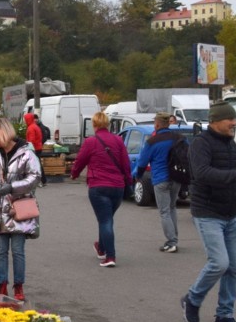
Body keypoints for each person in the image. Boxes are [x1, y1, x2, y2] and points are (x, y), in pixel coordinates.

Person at [181, 101, 236, 322]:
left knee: (233, 268)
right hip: (208, 213)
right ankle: (192, 299)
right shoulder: (200, 144)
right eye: (229, 119)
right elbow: (203, 174)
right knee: (219, 263)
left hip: (231, 214)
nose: (234, 123)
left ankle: (224, 316)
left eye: (234, 119)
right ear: (214, 122)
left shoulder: (231, 147)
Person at [0, 117, 40, 301]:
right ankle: (2, 284)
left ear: (2, 134)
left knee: (17, 250)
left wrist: (13, 187)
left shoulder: (26, 154)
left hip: (18, 210)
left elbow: (35, 177)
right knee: (0, 251)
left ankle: (18, 286)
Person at [70, 111, 131, 268]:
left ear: (94, 125)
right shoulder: (118, 140)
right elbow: (125, 163)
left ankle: (110, 256)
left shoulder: (91, 142)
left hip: (98, 186)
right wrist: (128, 181)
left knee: (105, 220)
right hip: (118, 187)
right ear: (108, 124)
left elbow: (80, 160)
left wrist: (74, 174)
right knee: (107, 219)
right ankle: (101, 248)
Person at [134, 111, 182, 253]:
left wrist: (138, 175)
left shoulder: (152, 142)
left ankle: (171, 242)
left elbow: (142, 162)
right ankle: (174, 238)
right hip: (177, 177)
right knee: (172, 207)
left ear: (157, 124)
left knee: (164, 211)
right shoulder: (179, 138)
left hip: (160, 178)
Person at [24, 113, 46, 186]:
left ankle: (41, 180)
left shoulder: (31, 128)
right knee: (38, 164)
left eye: (25, 119)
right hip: (38, 147)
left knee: (36, 165)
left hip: (34, 148)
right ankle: (43, 180)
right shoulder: (35, 126)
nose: (25, 121)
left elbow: (31, 140)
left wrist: (27, 148)